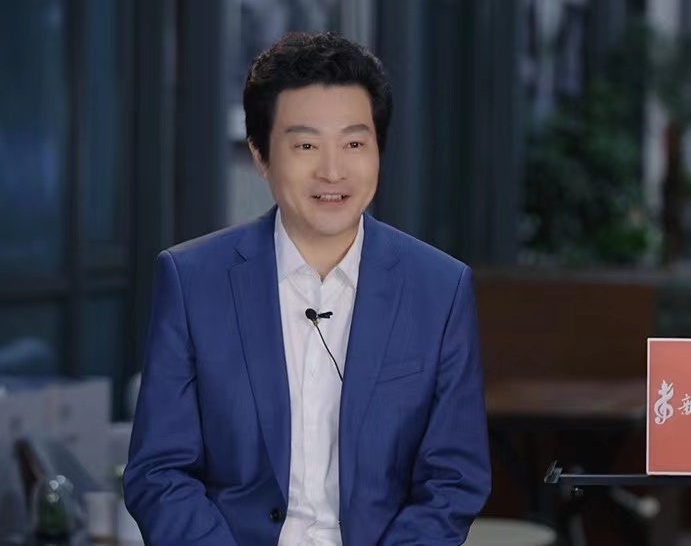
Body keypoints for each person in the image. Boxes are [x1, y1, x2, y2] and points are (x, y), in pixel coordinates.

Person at [123, 31, 491, 545]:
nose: (333, 170)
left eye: (354, 143)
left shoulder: (440, 288)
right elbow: (160, 472)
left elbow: (453, 479)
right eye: (306, 145)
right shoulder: (191, 281)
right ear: (260, 155)